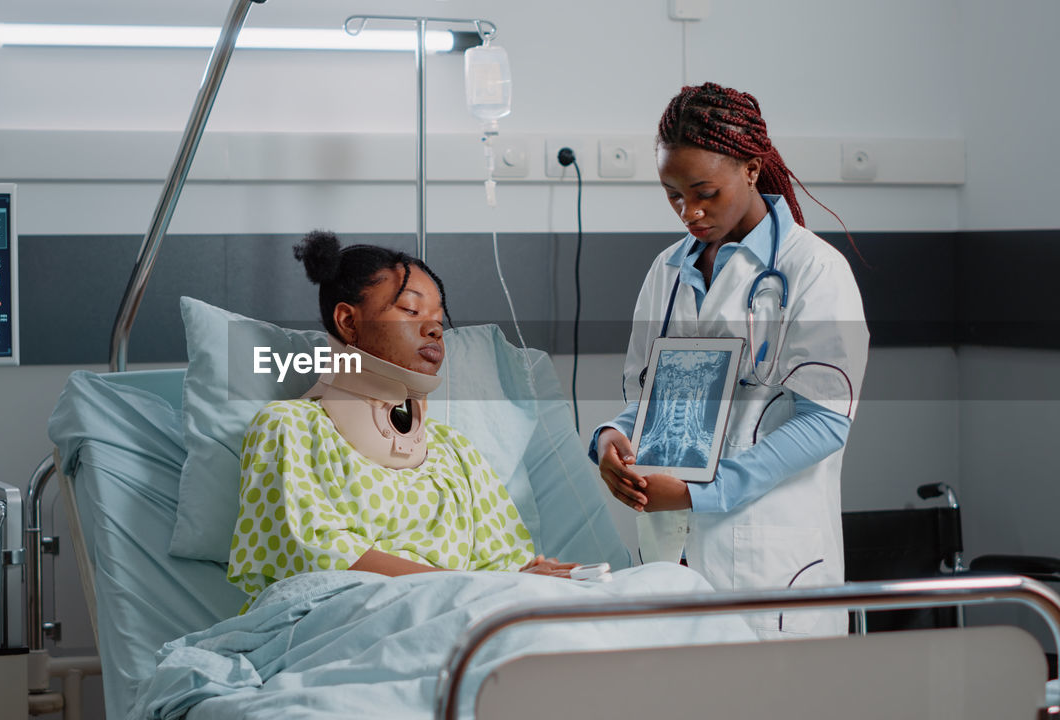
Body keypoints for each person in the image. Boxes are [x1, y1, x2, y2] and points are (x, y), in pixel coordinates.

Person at [590, 82, 869, 638]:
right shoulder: (666, 272)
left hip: (766, 557)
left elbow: (823, 422)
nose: (689, 212)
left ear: (750, 168)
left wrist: (702, 492)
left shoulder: (813, 270)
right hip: (671, 552)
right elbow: (646, 400)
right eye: (672, 194)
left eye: (704, 192)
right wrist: (607, 440)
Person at [227, 231, 576, 607]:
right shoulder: (289, 428)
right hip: (339, 622)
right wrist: (471, 586)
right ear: (347, 321)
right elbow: (313, 556)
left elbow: (504, 564)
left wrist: (531, 580)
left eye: (439, 319)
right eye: (411, 311)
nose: (434, 328)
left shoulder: (455, 452)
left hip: (464, 622)